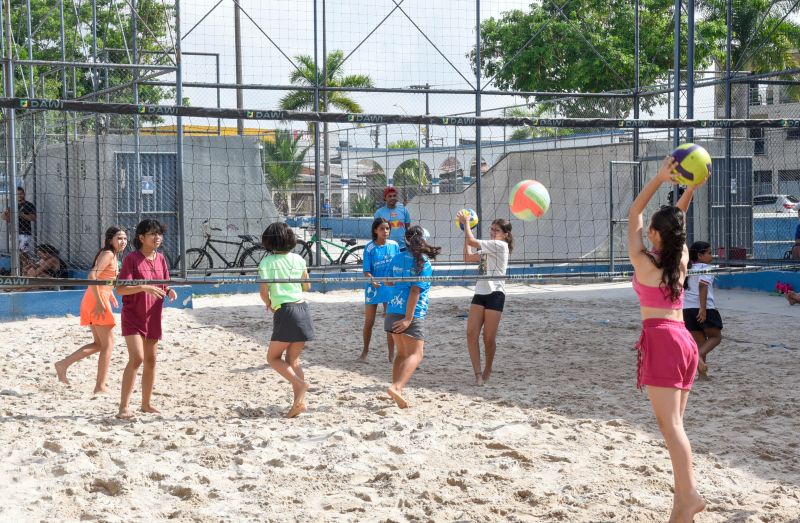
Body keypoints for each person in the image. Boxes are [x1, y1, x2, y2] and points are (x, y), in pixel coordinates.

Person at [627, 155, 706, 522]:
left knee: (670, 427)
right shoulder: (681, 258)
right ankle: (681, 510)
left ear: (655, 235)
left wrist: (660, 178)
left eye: (651, 231)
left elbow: (634, 214)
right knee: (675, 428)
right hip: (685, 341)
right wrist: (690, 187)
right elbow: (677, 221)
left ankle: (688, 495)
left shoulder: (645, 261)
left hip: (661, 339)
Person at [115, 219, 176, 420]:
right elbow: (121, 289)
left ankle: (146, 403)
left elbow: (163, 284)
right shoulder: (132, 259)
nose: (157, 237)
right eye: (152, 234)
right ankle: (123, 407)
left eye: (159, 234)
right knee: (137, 358)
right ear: (141, 237)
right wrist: (143, 287)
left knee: (151, 360)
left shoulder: (161, 259)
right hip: (133, 315)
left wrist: (169, 291)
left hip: (153, 315)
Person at [54, 227, 128, 393]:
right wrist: (101, 301)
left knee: (100, 344)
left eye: (124, 238)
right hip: (96, 300)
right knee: (108, 345)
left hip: (96, 297)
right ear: (110, 240)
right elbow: (92, 276)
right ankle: (100, 386)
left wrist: (110, 295)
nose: (123, 241)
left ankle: (63, 364)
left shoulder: (113, 255)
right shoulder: (108, 254)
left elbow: (104, 280)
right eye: (119, 238)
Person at [259, 222, 314, 418]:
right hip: (303, 309)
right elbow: (306, 287)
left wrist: (270, 303)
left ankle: (300, 385)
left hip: (286, 311)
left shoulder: (267, 262)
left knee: (272, 358)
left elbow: (263, 292)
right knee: (294, 360)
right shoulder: (299, 259)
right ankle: (299, 403)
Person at [384, 225, 440, 409]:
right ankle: (397, 387)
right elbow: (415, 291)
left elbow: (388, 281)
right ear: (423, 240)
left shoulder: (397, 257)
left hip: (392, 309)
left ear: (407, 240)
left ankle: (395, 388)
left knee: (402, 353)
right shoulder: (424, 262)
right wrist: (408, 318)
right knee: (417, 353)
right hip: (412, 313)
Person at [458, 211, 513, 386]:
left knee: (488, 338)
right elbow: (467, 257)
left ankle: (488, 367)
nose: (492, 232)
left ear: (505, 235)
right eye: (491, 229)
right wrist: (464, 231)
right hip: (480, 293)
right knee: (470, 334)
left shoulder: (500, 246)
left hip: (496, 294)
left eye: (496, 230)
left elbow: (473, 241)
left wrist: (467, 223)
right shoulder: (489, 246)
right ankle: (478, 374)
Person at [359, 217, 400, 362]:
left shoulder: (394, 245)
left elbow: (398, 265)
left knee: (390, 322)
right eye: (382, 228)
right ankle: (365, 352)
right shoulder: (370, 248)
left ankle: (391, 355)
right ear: (375, 230)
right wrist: (372, 279)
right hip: (373, 287)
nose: (385, 231)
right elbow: (366, 271)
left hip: (390, 287)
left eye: (387, 228)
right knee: (369, 322)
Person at [683, 241, 723, 377]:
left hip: (687, 309)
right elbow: (702, 286)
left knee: (700, 342)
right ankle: (696, 356)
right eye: (709, 253)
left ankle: (702, 375)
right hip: (704, 308)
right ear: (700, 255)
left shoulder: (688, 268)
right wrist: (703, 308)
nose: (712, 256)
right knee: (716, 337)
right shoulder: (706, 268)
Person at [2, 187, 37, 266]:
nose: (19, 196)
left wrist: (21, 214)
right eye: (17, 194)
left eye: (20, 193)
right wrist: (5, 214)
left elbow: (33, 218)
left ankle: (27, 267)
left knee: (23, 253)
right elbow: (7, 219)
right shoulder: (12, 205)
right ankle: (23, 269)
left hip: (25, 232)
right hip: (14, 233)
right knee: (16, 253)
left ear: (24, 194)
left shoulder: (29, 205)